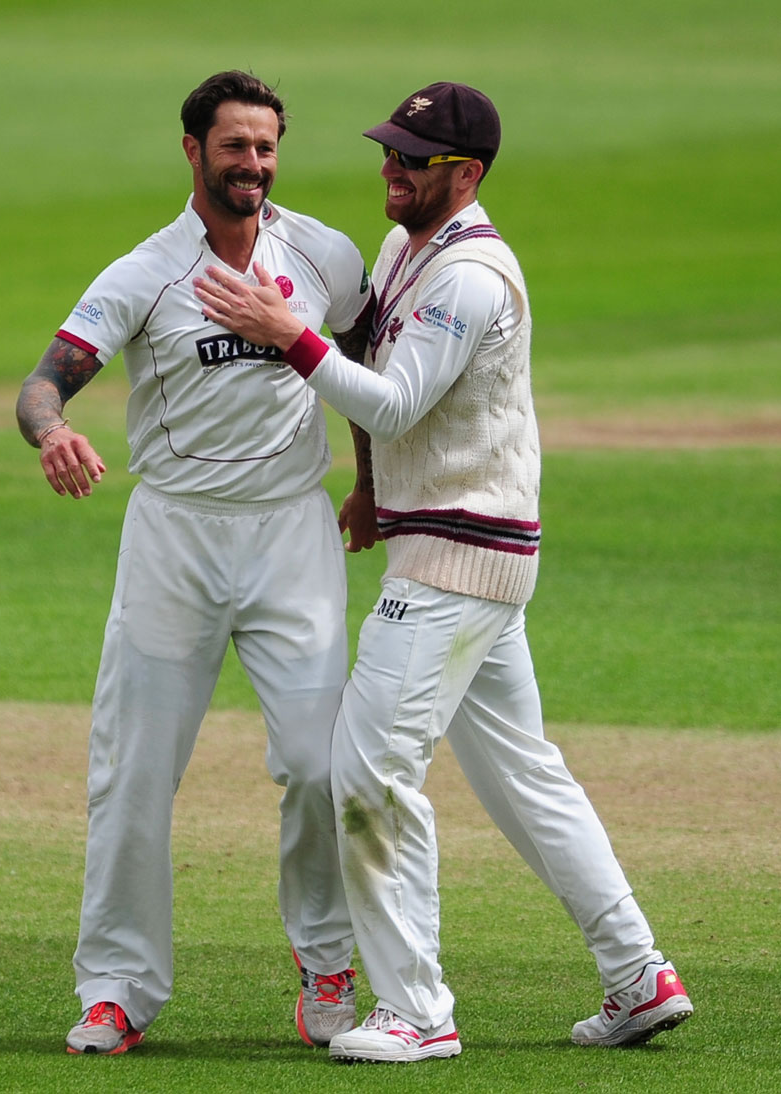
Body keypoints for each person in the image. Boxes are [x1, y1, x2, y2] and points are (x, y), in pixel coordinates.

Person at [193, 81, 694, 1063]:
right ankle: (640, 975)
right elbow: (373, 367)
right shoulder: (402, 246)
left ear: (464, 176)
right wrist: (373, 487)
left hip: (460, 564)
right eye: (389, 149)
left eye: (412, 159)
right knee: (526, 778)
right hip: (457, 549)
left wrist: (281, 332)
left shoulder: (472, 276)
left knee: (365, 771)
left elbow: (391, 399)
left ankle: (417, 1008)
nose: (390, 167)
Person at [16, 70, 377, 1056]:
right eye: (234, 147)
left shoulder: (324, 254)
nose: (253, 165)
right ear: (193, 151)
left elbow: (365, 373)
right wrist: (51, 434)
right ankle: (118, 986)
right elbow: (44, 384)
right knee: (134, 768)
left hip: (290, 534)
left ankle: (327, 960)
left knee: (317, 764)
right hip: (173, 535)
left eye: (266, 147)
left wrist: (371, 481)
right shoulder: (146, 272)